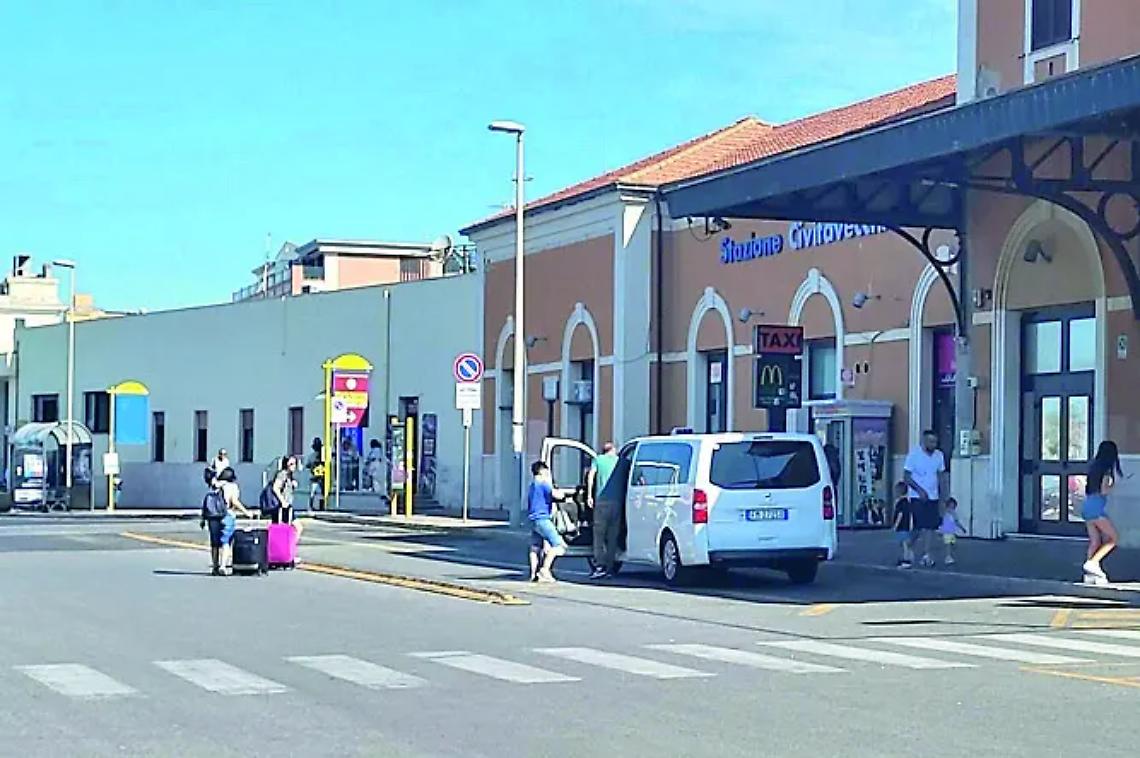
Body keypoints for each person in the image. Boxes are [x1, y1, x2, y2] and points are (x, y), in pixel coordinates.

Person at [904, 430, 948, 568]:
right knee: (919, 525)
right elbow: (906, 476)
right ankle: (909, 543)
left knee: (930, 526)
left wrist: (943, 496)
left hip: (933, 496)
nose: (933, 444)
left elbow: (941, 476)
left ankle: (927, 554)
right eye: (930, 441)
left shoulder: (938, 456)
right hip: (917, 497)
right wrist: (919, 490)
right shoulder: (914, 455)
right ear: (924, 441)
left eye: (935, 442)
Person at [1082, 440, 1123, 583]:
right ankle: (1092, 564)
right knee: (1113, 538)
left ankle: (1089, 575)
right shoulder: (1106, 472)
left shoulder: (1093, 468)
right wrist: (1113, 486)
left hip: (1087, 505)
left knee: (1095, 541)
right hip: (1096, 507)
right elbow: (1104, 491)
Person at [200, 467, 252, 576]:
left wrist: (203, 518)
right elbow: (234, 501)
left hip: (212, 516)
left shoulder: (214, 485)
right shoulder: (232, 486)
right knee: (226, 541)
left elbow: (207, 503)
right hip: (226, 515)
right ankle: (223, 566)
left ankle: (215, 566)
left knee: (214, 543)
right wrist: (246, 512)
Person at [527, 461, 567, 583]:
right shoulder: (544, 484)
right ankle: (545, 570)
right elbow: (558, 495)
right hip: (543, 519)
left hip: (533, 520)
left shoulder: (532, 486)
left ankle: (533, 574)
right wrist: (562, 492)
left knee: (535, 548)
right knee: (559, 545)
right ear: (542, 471)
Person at [587, 442, 620, 580]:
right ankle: (610, 568)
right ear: (614, 450)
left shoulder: (598, 460)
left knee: (599, 536)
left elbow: (591, 476)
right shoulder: (621, 461)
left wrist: (589, 495)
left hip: (601, 501)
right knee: (613, 537)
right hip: (618, 503)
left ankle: (600, 566)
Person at [891, 482, 914, 569]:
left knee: (904, 544)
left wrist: (895, 525)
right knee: (904, 543)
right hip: (906, 526)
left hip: (902, 526)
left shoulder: (900, 503)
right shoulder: (907, 502)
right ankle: (908, 557)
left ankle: (906, 560)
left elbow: (900, 515)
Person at [939, 497, 966, 565]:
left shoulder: (953, 514)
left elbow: (957, 522)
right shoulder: (945, 512)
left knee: (952, 544)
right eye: (950, 505)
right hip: (947, 532)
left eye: (953, 505)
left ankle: (949, 555)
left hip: (951, 532)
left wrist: (962, 528)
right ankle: (948, 557)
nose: (951, 507)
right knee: (948, 544)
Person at [305, 438, 325, 510]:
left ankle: (311, 506)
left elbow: (307, 465)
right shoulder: (323, 456)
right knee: (321, 492)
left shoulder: (312, 456)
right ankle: (321, 506)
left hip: (315, 477)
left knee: (313, 492)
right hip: (321, 477)